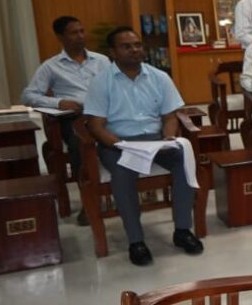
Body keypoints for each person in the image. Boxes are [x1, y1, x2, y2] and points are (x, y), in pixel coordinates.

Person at [83, 27, 203, 266]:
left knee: (184, 159)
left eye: (137, 45)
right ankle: (136, 241)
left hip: (155, 141)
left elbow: (170, 117)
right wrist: (120, 145)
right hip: (117, 143)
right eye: (126, 46)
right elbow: (96, 126)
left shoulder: (159, 77)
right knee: (122, 172)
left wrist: (169, 138)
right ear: (113, 52)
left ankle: (182, 230)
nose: (134, 50)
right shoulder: (101, 82)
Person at [21, 16, 110, 226]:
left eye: (82, 31)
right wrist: (59, 102)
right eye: (74, 32)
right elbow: (28, 96)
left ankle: (128, 189)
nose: (80, 36)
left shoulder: (102, 61)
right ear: (60, 37)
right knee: (80, 144)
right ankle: (89, 201)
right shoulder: (51, 66)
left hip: (107, 114)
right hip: (77, 117)